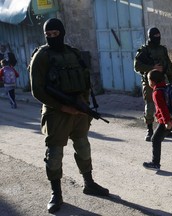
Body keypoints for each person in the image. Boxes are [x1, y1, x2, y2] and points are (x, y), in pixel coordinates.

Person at [29, 18, 109, 214]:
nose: (51, 38)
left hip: (79, 111)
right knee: (54, 155)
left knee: (83, 147)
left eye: (55, 34)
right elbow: (37, 90)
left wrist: (83, 104)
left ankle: (89, 183)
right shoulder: (41, 56)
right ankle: (56, 194)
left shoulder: (73, 53)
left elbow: (85, 80)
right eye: (48, 35)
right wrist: (64, 107)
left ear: (62, 33)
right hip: (56, 113)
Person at [134, 27, 172, 141]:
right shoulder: (144, 50)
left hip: (162, 80)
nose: (157, 38)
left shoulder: (162, 49)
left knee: (165, 105)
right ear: (150, 37)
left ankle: (166, 129)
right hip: (149, 82)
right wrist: (152, 67)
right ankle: (149, 130)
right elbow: (137, 66)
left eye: (159, 36)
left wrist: (171, 80)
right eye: (155, 36)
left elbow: (168, 64)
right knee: (150, 105)